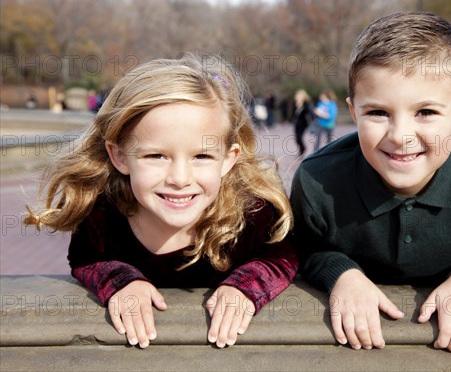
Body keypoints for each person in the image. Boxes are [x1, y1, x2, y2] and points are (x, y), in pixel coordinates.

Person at [290, 12, 451, 352]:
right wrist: (343, 275)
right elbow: (305, 249)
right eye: (378, 113)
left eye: (426, 112)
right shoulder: (317, 181)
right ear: (354, 112)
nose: (400, 136)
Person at [25, 53, 298, 349]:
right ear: (119, 156)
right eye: (156, 156)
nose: (180, 178)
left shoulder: (250, 214)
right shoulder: (103, 212)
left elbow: (282, 256)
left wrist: (245, 288)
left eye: (202, 156)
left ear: (228, 160)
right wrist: (122, 281)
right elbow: (85, 258)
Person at [292, 89, 312, 156]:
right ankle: (301, 150)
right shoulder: (295, 104)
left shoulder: (306, 104)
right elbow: (293, 114)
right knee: (296, 139)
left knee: (299, 137)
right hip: (296, 124)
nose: (297, 97)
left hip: (303, 124)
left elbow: (308, 113)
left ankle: (303, 149)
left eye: (299, 96)